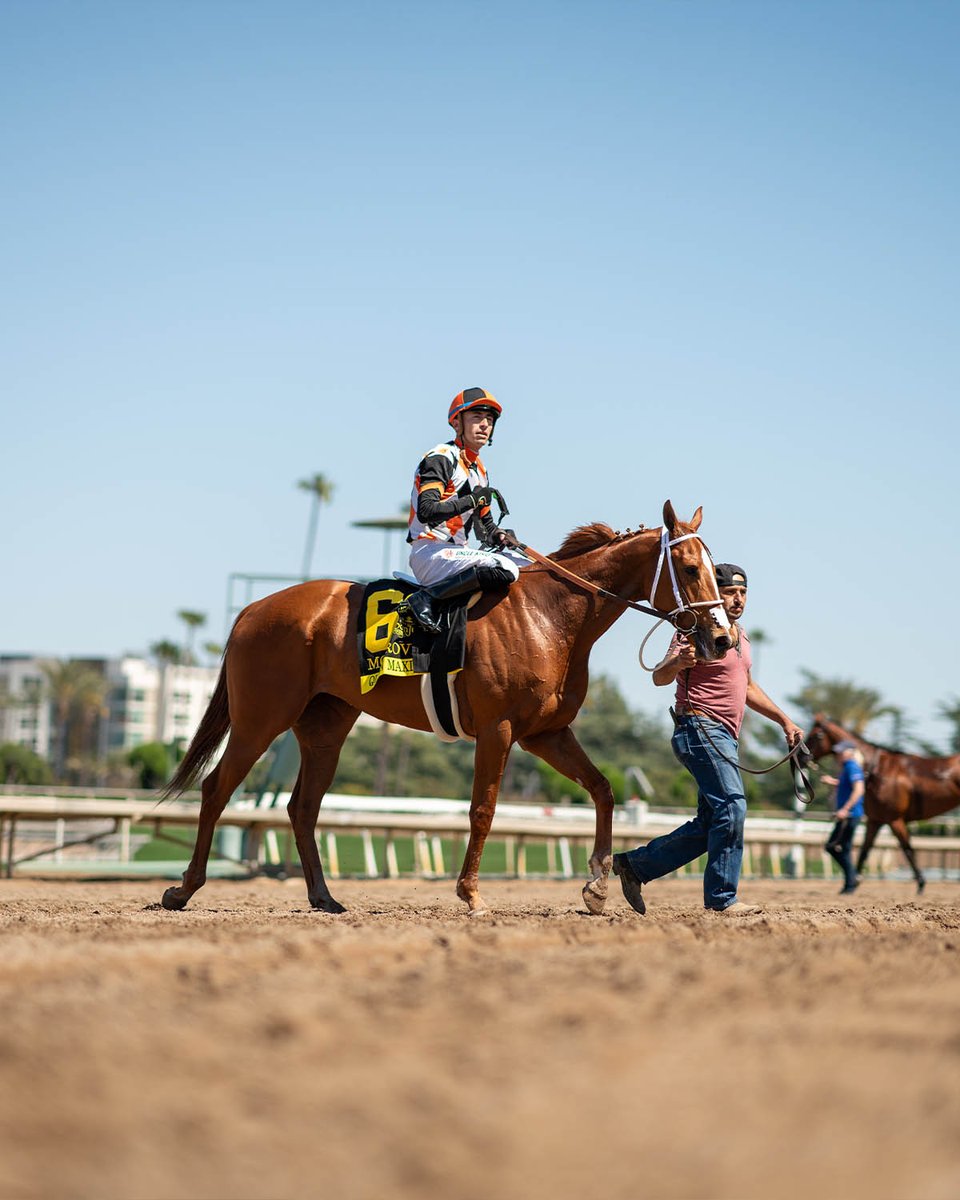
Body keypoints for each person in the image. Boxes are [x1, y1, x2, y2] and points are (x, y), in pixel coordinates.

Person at [613, 562, 804, 915]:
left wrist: (784, 720)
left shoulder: (739, 634)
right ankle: (722, 899)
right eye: (731, 592)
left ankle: (635, 866)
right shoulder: (692, 627)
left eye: (743, 593)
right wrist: (679, 663)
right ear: (714, 593)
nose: (738, 599)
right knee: (732, 808)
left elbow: (747, 687)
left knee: (712, 822)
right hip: (699, 728)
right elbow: (659, 676)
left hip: (724, 738)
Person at [404, 387, 528, 633]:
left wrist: (500, 536)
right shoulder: (440, 457)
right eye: (476, 418)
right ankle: (426, 598)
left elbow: (485, 528)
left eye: (489, 420)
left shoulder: (479, 470)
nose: (484, 425)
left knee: (528, 567)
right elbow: (427, 510)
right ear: (457, 422)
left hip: (458, 554)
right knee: (506, 569)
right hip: (431, 552)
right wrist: (472, 500)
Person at [820, 740, 865, 894]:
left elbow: (859, 789)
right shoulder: (847, 767)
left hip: (850, 815)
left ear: (850, 752)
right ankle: (850, 883)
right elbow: (846, 785)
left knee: (833, 846)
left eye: (841, 752)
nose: (837, 755)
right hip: (848, 815)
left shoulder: (852, 766)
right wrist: (832, 782)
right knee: (842, 848)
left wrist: (845, 809)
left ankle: (852, 878)